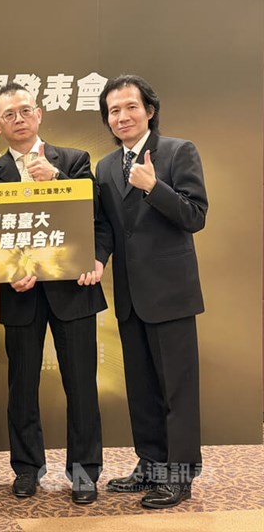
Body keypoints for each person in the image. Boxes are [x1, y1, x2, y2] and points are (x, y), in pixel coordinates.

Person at [95, 74, 207, 509]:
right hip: (129, 296)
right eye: (113, 110)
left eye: (130, 107)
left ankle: (179, 477)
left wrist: (153, 187)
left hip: (172, 294)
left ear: (150, 111)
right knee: (141, 388)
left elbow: (195, 215)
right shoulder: (105, 166)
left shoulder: (178, 151)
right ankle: (150, 465)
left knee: (177, 390)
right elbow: (106, 226)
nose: (122, 116)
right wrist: (98, 259)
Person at [0, 82, 106, 504]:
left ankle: (84, 472)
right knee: (21, 386)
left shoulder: (73, 160)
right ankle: (26, 468)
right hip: (20, 292)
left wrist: (56, 179)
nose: (18, 120)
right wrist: (8, 272)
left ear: (39, 114)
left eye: (25, 111)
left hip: (73, 289)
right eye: (9, 115)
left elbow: (96, 209)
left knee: (81, 384)